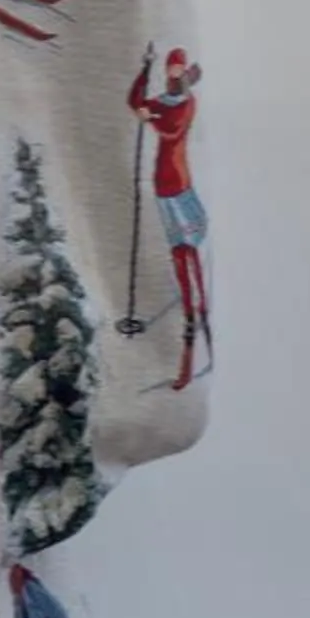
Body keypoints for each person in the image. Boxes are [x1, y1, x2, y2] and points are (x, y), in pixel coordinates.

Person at [128, 47, 210, 389]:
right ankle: (191, 314)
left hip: (179, 185)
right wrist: (144, 70)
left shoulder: (186, 104)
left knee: (189, 250)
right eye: (169, 72)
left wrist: (152, 120)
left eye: (178, 72)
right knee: (177, 252)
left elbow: (174, 132)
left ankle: (197, 311)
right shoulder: (162, 101)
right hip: (163, 187)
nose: (173, 77)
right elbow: (135, 102)